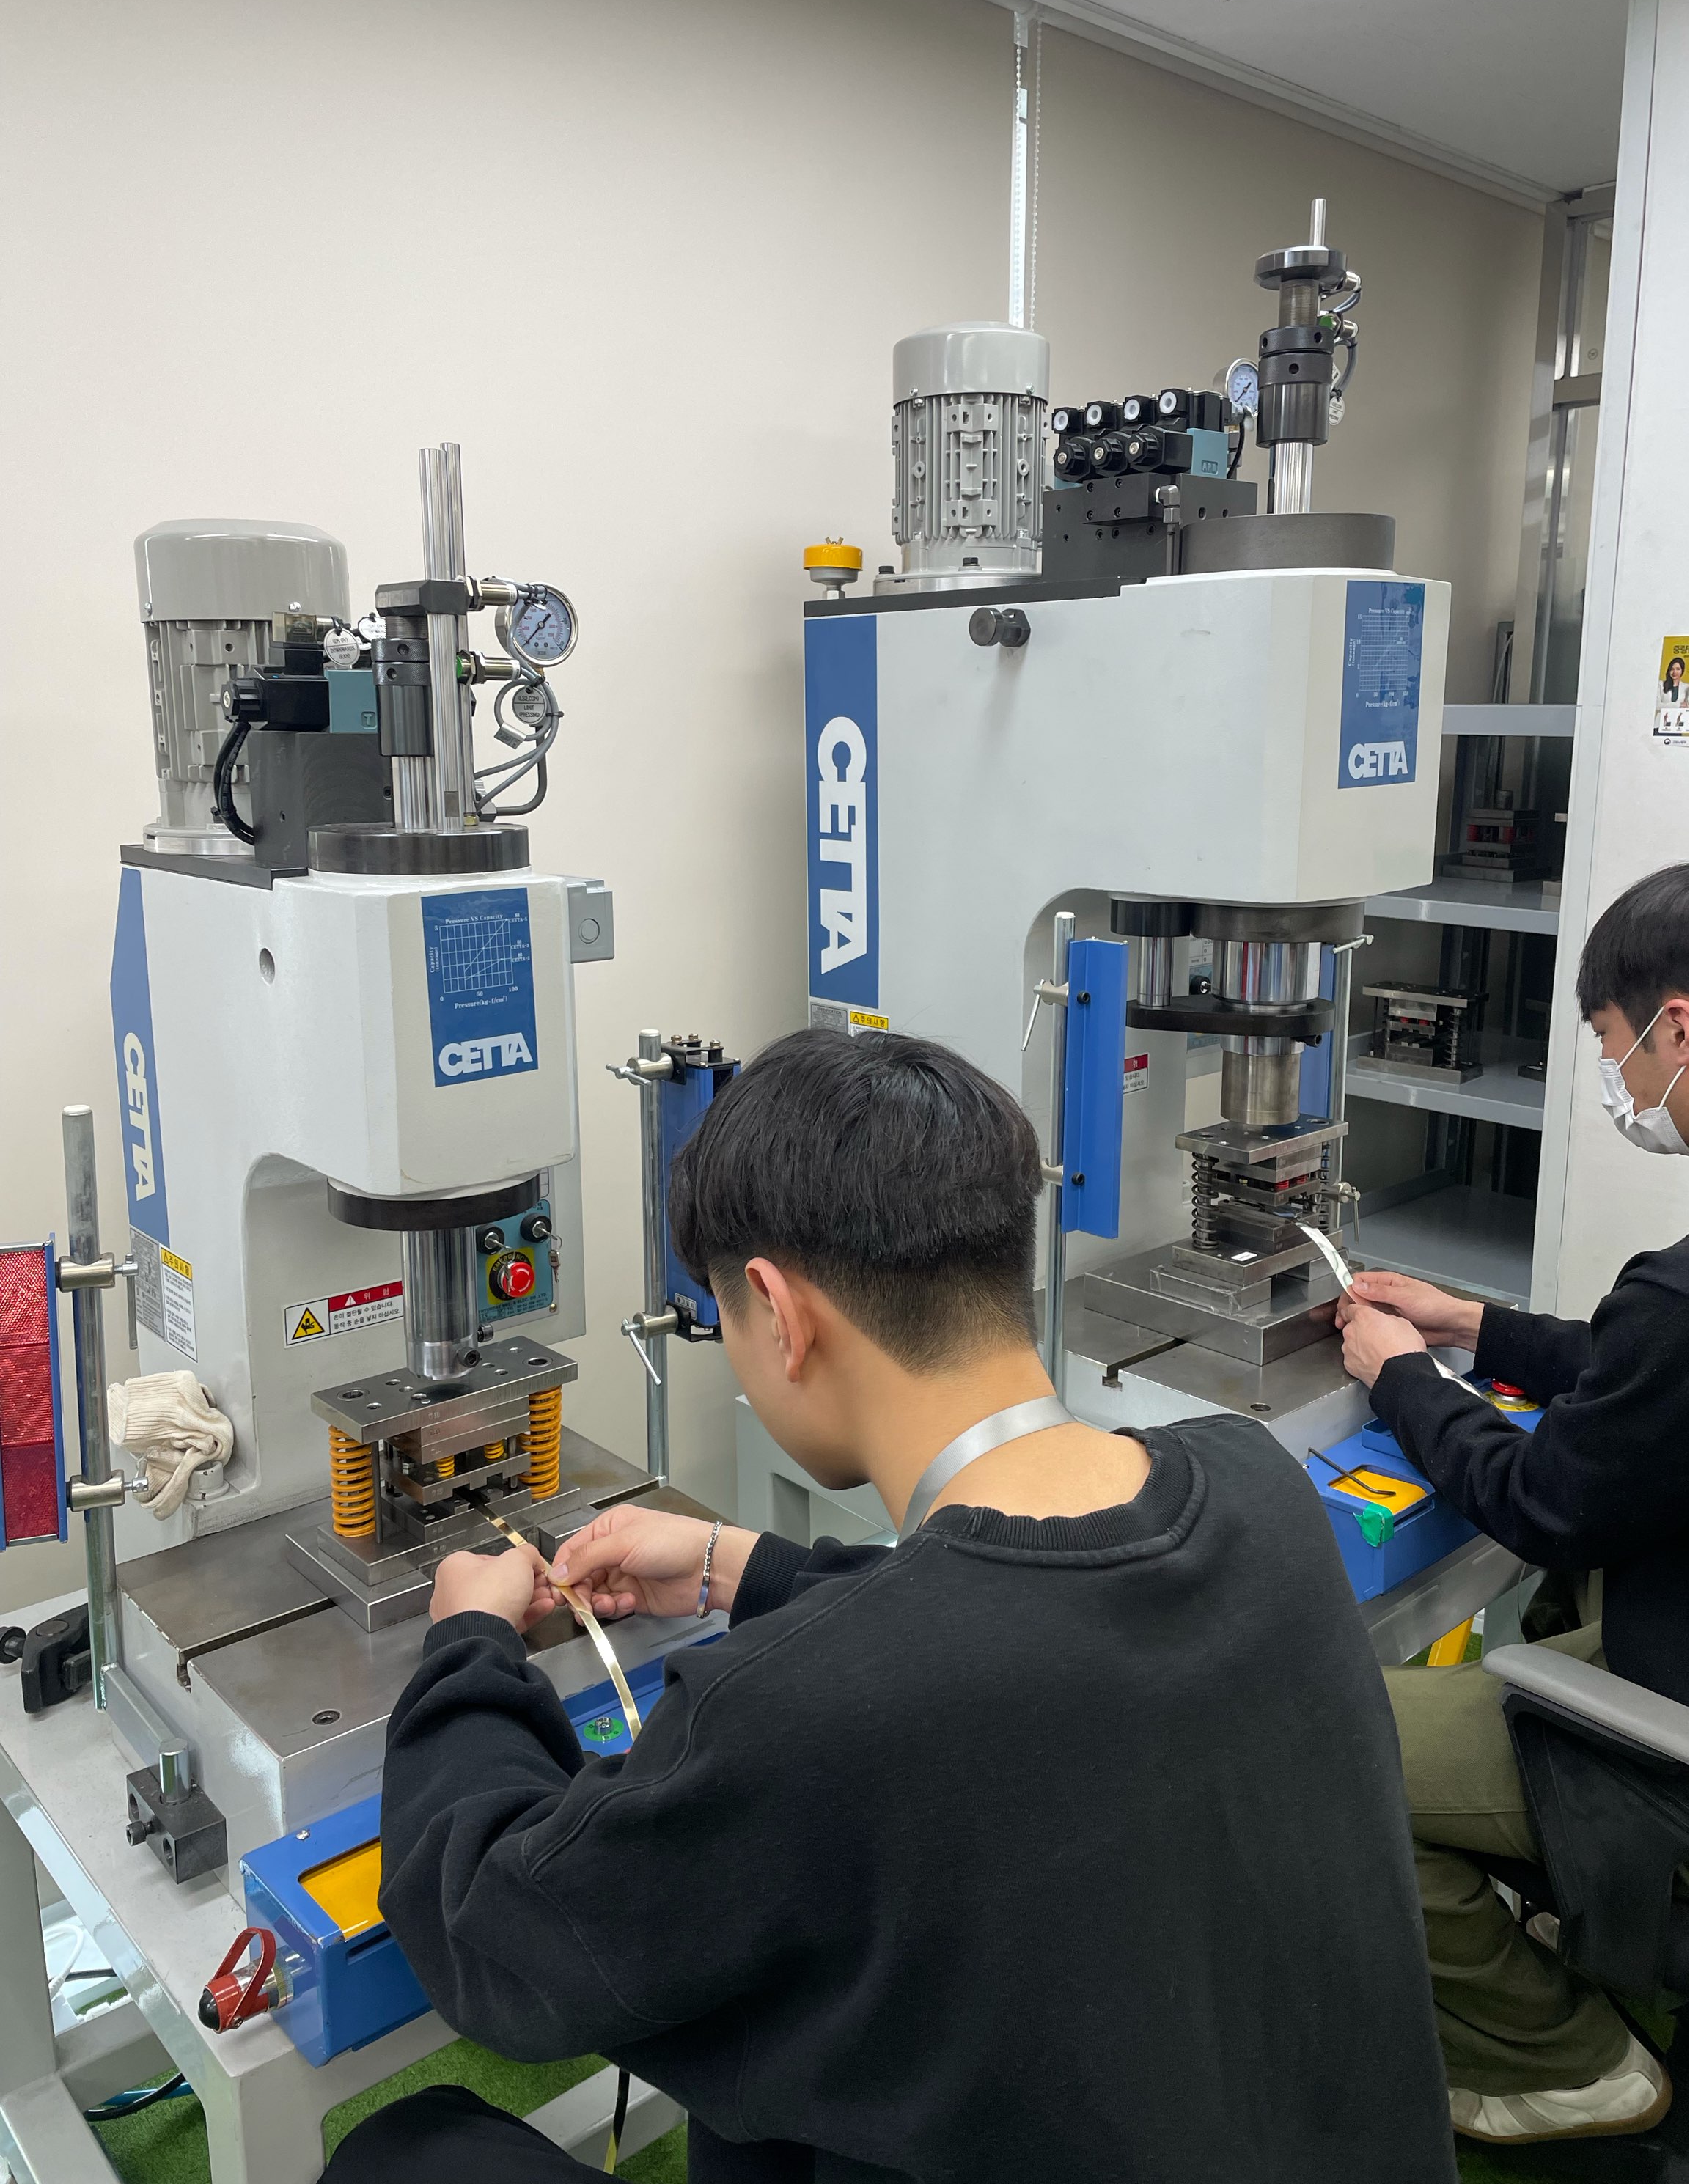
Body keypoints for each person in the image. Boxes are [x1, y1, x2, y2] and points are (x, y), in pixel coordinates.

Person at [326, 1029, 1457, 2184]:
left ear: (779, 1313)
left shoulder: (793, 1716)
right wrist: (739, 1567)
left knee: (406, 2152)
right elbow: (1011, 1637)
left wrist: (465, 1641)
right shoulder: (1255, 1483)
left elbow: (497, 1940)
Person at [1337, 860, 1689, 2150]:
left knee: (1324, 1736)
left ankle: (1569, 2063)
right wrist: (1468, 1325)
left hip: (1670, 1713)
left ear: (1676, 1028)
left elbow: (1541, 1504)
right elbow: (1644, 1380)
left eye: (1607, 1046)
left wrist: (1399, 1380)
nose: (1615, 1082)